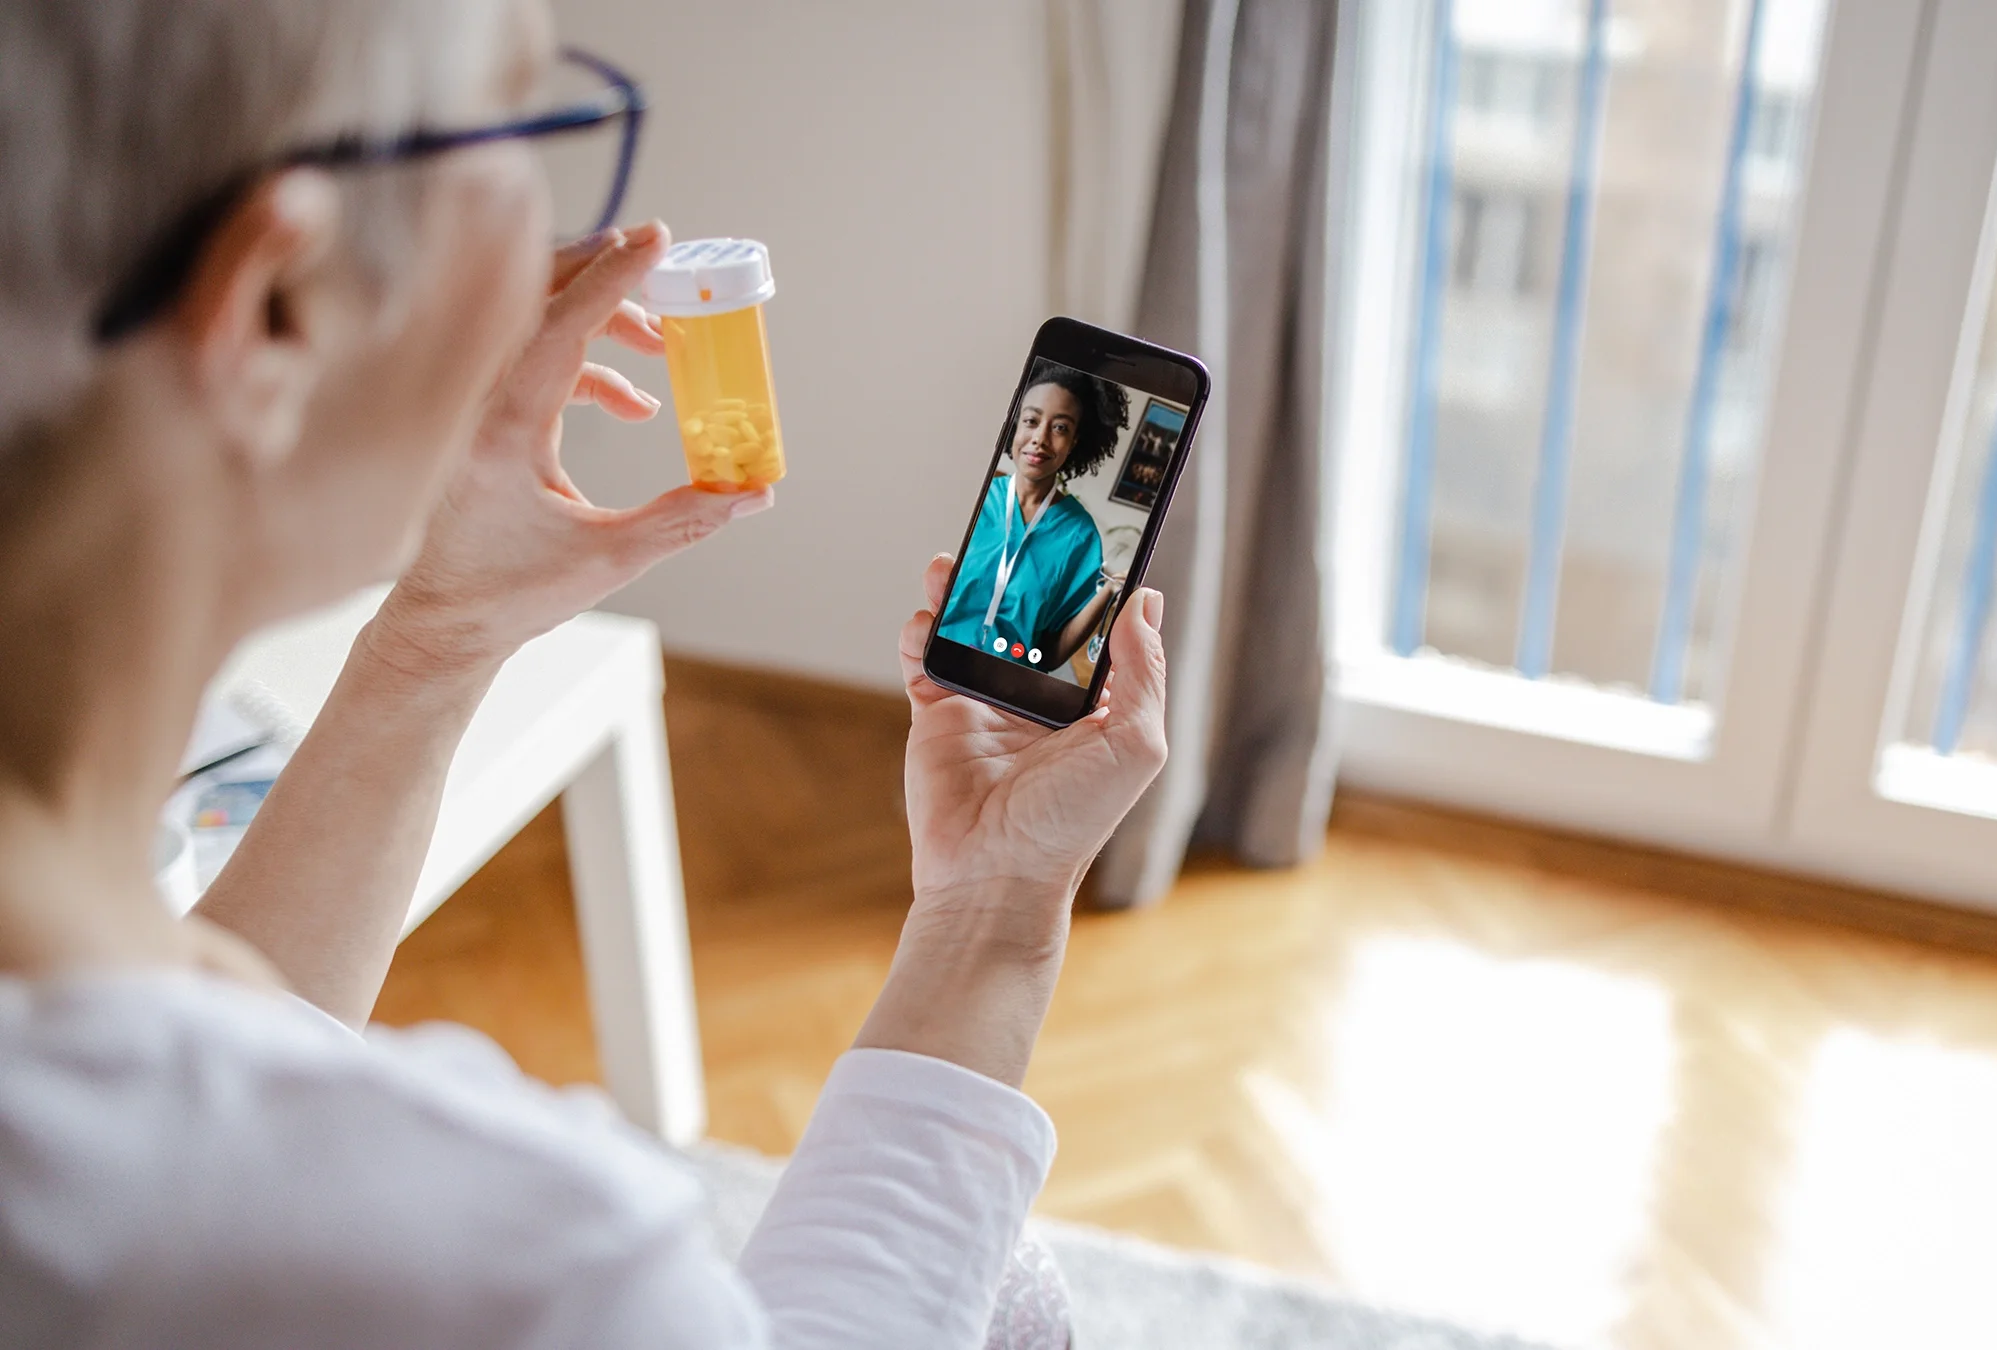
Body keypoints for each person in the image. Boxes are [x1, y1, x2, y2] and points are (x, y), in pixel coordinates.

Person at [0, 3, 1167, 1348]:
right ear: (279, 307)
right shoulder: (520, 1254)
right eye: (522, 125)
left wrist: (438, 630)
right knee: (1015, 1296)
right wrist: (995, 911)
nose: (573, 248)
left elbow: (183, 1085)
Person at [937, 360, 1131, 674]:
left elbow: (1050, 655)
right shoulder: (977, 497)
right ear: (1015, 425)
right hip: (940, 663)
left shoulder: (1080, 535)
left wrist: (1108, 591)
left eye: (1060, 428)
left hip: (1011, 686)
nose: (1040, 438)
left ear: (1074, 442)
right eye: (1031, 420)